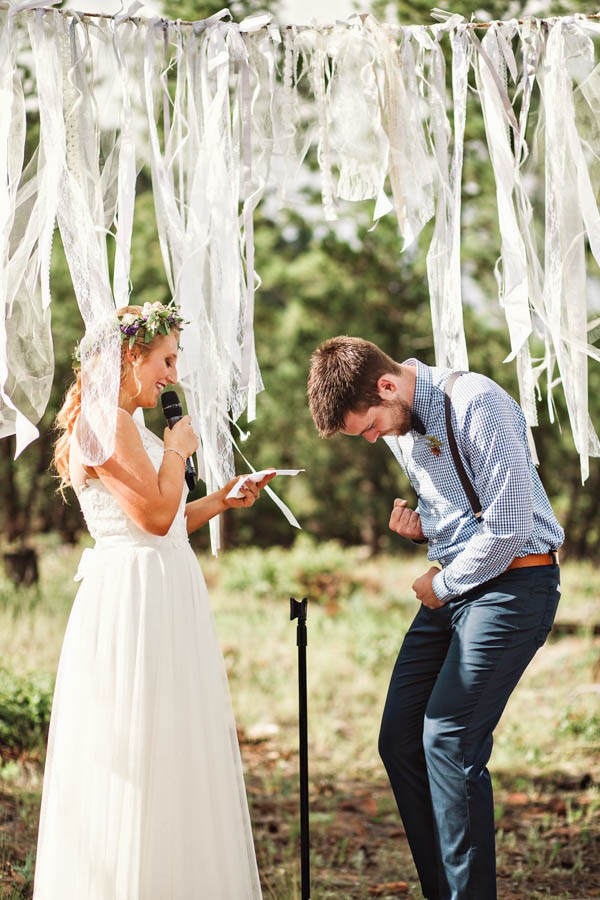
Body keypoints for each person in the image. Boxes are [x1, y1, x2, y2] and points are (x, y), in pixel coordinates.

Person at [307, 336, 563, 900]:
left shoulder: (476, 403)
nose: (373, 439)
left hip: (515, 586)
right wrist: (426, 529)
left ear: (388, 386)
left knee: (448, 738)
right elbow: (464, 514)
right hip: (457, 591)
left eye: (369, 426)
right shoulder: (402, 424)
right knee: (399, 737)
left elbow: (512, 524)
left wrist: (440, 582)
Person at [34, 301, 275, 900]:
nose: (172, 375)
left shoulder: (127, 426)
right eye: (165, 360)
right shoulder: (105, 423)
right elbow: (153, 513)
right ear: (131, 357)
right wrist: (178, 449)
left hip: (163, 587)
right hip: (132, 600)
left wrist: (221, 499)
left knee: (170, 741)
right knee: (138, 747)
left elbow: (165, 522)